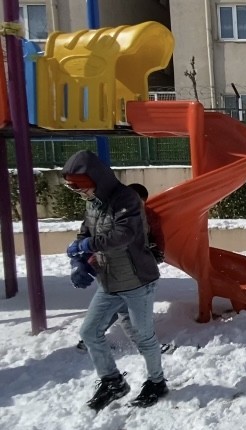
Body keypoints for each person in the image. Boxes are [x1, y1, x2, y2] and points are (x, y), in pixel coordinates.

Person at [62, 150, 169, 411]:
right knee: (89, 332)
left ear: (96, 179)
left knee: (143, 337)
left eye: (82, 188)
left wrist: (90, 244)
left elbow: (123, 235)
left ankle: (157, 383)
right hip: (109, 282)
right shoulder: (93, 202)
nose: (82, 194)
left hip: (137, 282)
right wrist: (79, 259)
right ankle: (112, 382)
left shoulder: (127, 199)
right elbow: (84, 232)